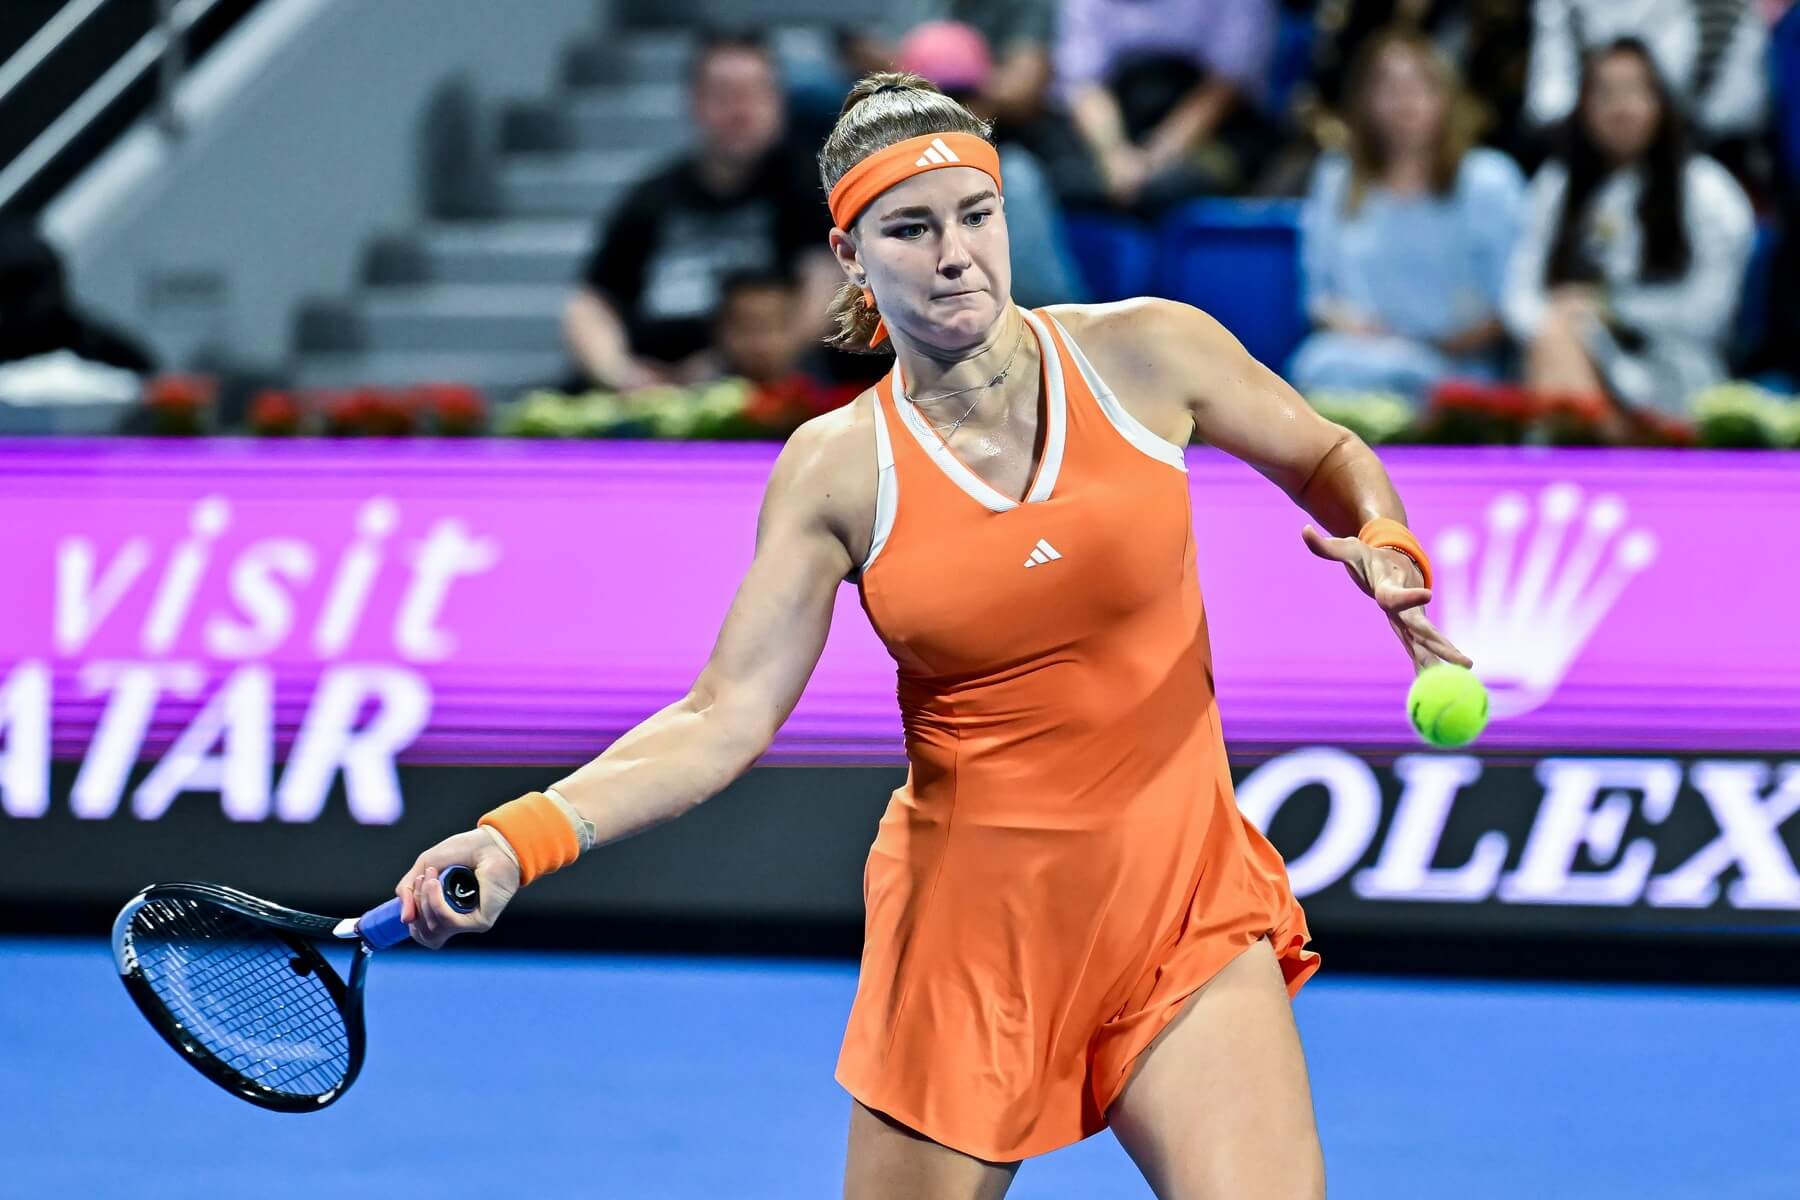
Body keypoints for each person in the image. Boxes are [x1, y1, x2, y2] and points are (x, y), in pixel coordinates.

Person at [393, 72, 1471, 1197]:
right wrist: (520, 838)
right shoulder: (838, 470)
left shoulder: (1149, 351)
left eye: (976, 215)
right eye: (910, 228)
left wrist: (1385, 540)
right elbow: (723, 716)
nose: (955, 255)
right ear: (851, 256)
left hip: (1182, 912)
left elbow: (1326, 453)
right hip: (972, 949)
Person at [563, 31, 837, 391]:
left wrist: (746, 359)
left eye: (752, 94)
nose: (739, 111)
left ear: (777, 101)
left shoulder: (809, 190)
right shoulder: (652, 195)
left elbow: (829, 284)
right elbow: (590, 303)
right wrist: (623, 375)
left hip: (763, 385)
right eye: (723, 95)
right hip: (647, 385)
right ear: (694, 103)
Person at [1503, 37, 1755, 427]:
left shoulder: (1707, 189)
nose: (1620, 108)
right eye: (1605, 94)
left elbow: (1708, 313)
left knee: (1559, 343)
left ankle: (1597, 450)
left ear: (1662, 101)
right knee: (1554, 338)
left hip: (1675, 367)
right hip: (1571, 354)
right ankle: (1604, 446)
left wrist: (1609, 309)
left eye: (1635, 92)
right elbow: (1517, 297)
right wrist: (1567, 317)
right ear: (1583, 106)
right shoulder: (1556, 185)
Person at [1291, 32, 1525, 404]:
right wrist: (1362, 331)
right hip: (1356, 359)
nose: (1405, 101)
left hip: (1458, 366)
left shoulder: (1490, 179)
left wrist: (1437, 345)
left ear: (1447, 96)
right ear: (1365, 100)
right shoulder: (1336, 176)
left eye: (1419, 86)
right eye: (1390, 88)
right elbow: (1319, 298)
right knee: (1316, 365)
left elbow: (1513, 301)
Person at [1054, 0, 1280, 209]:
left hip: (1209, 136)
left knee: (1166, 192)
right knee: (1065, 185)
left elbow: (1226, 87)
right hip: (1119, 131)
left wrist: (1155, 158)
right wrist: (1115, 156)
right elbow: (1084, 87)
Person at [1525, 0, 1768, 146]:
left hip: (1700, 153)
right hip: (1587, 163)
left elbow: (1741, 111)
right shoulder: (1564, 7)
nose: (1624, 107)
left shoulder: (1725, 8)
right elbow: (1547, 105)